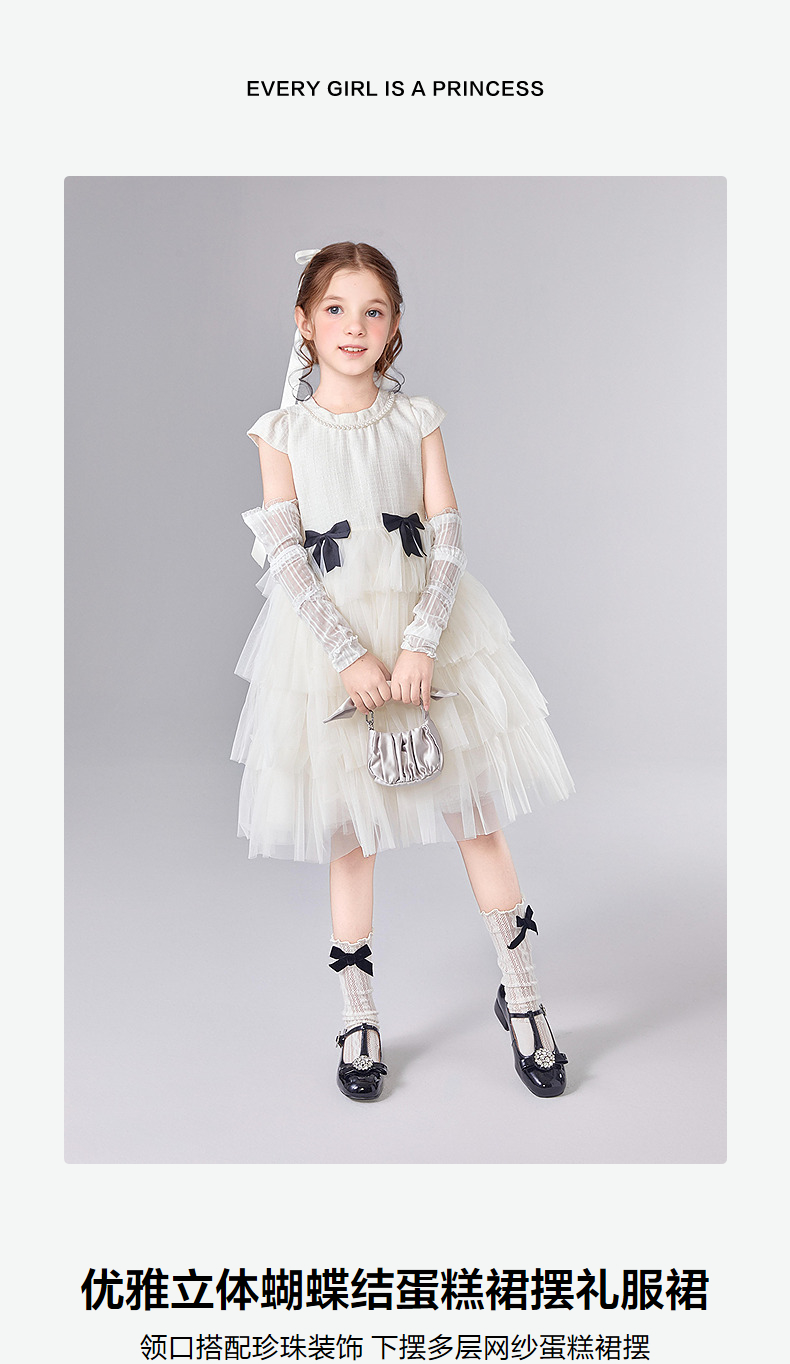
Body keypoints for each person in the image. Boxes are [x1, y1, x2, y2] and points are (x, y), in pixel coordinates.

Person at [232, 242, 574, 1102]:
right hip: (332, 648)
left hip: (430, 635)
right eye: (336, 309)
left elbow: (447, 536)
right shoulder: (281, 433)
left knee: (478, 818)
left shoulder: (416, 418)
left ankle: (524, 995)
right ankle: (358, 1014)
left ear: (393, 327)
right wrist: (349, 656)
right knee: (351, 838)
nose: (354, 326)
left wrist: (421, 642)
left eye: (373, 311)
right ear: (304, 323)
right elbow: (287, 556)